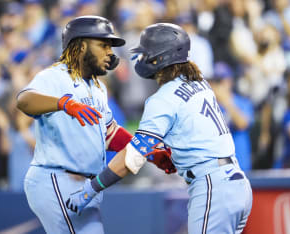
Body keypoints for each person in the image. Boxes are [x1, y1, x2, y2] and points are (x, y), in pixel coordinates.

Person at [67, 23, 253, 234]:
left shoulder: (163, 98)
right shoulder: (200, 83)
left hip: (212, 185)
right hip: (236, 184)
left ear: (162, 56)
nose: (143, 58)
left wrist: (89, 190)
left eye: (148, 53)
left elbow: (130, 159)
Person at [16, 15, 174, 234]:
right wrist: (64, 104)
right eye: (103, 45)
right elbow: (24, 101)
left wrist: (150, 153)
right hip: (57, 179)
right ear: (81, 46)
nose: (110, 52)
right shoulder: (56, 75)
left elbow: (109, 134)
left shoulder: (98, 87)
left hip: (83, 185)